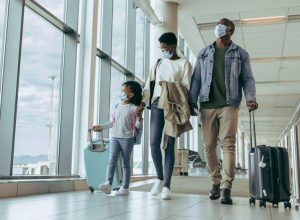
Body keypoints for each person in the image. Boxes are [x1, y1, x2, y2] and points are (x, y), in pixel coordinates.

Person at [188, 18, 258, 205]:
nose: (217, 27)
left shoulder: (240, 53)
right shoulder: (204, 52)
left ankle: (226, 187)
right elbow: (196, 79)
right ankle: (215, 182)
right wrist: (191, 101)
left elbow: (248, 78)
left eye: (222, 25)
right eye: (217, 24)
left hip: (229, 104)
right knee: (209, 146)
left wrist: (250, 98)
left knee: (228, 144)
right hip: (207, 104)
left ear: (230, 30)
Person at [137, 32, 193, 200]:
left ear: (173, 46)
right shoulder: (158, 63)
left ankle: (167, 186)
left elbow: (186, 88)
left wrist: (168, 86)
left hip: (173, 106)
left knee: (169, 145)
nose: (162, 50)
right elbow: (148, 86)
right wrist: (141, 104)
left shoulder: (184, 64)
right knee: (154, 142)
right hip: (155, 104)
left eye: (165, 47)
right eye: (160, 47)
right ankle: (159, 178)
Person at [93, 80, 143, 196]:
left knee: (125, 163)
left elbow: (138, 126)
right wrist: (101, 127)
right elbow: (112, 123)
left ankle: (125, 187)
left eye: (123, 91)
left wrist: (140, 119)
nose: (121, 93)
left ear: (131, 95)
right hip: (115, 137)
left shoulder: (133, 108)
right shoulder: (116, 106)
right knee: (111, 160)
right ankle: (108, 184)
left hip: (127, 138)